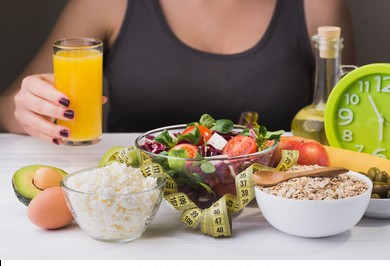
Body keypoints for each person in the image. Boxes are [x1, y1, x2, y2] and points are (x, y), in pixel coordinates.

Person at [0, 0, 355, 144]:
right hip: (130, 207)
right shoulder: (106, 3)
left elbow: (352, 119)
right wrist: (32, 108)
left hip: (270, 213)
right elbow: (8, 110)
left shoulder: (318, 4)